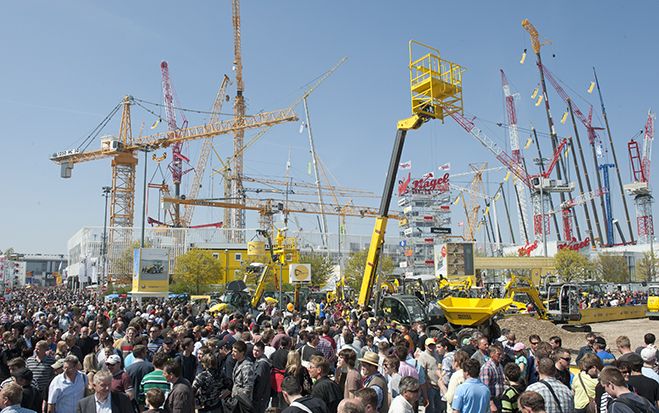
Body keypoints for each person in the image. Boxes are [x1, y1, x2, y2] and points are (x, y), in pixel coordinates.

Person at [25, 341, 54, 406]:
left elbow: (53, 375)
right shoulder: (29, 360)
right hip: (32, 391)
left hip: (44, 392)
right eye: (35, 348)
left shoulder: (51, 361)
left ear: (44, 350)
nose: (36, 350)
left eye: (38, 349)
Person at [480, 345, 505, 413]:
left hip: (500, 399)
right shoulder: (487, 368)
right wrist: (491, 404)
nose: (501, 356)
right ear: (491, 354)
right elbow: (485, 388)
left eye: (501, 354)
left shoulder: (500, 366)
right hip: (492, 401)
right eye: (498, 354)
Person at [251, 341, 271, 413]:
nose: (255, 352)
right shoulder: (258, 360)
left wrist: (256, 396)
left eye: (257, 351)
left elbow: (261, 383)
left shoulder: (262, 364)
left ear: (262, 351)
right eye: (254, 350)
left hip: (260, 398)